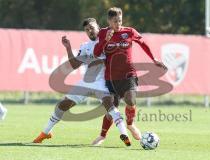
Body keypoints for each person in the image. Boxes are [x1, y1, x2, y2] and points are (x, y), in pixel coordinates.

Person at [33, 18, 131, 146]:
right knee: (62, 106)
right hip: (86, 82)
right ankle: (45, 133)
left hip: (102, 82)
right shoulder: (85, 46)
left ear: (98, 27)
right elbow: (74, 65)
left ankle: (124, 135)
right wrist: (68, 48)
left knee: (110, 106)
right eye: (87, 29)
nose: (90, 31)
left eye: (92, 27)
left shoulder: (109, 42)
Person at [92, 7, 167, 145]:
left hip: (129, 75)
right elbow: (96, 53)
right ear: (109, 21)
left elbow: (143, 43)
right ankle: (102, 136)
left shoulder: (129, 31)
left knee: (131, 100)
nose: (118, 24)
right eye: (115, 21)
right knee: (111, 110)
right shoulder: (103, 33)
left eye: (120, 20)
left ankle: (130, 124)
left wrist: (153, 58)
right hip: (111, 78)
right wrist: (104, 41)